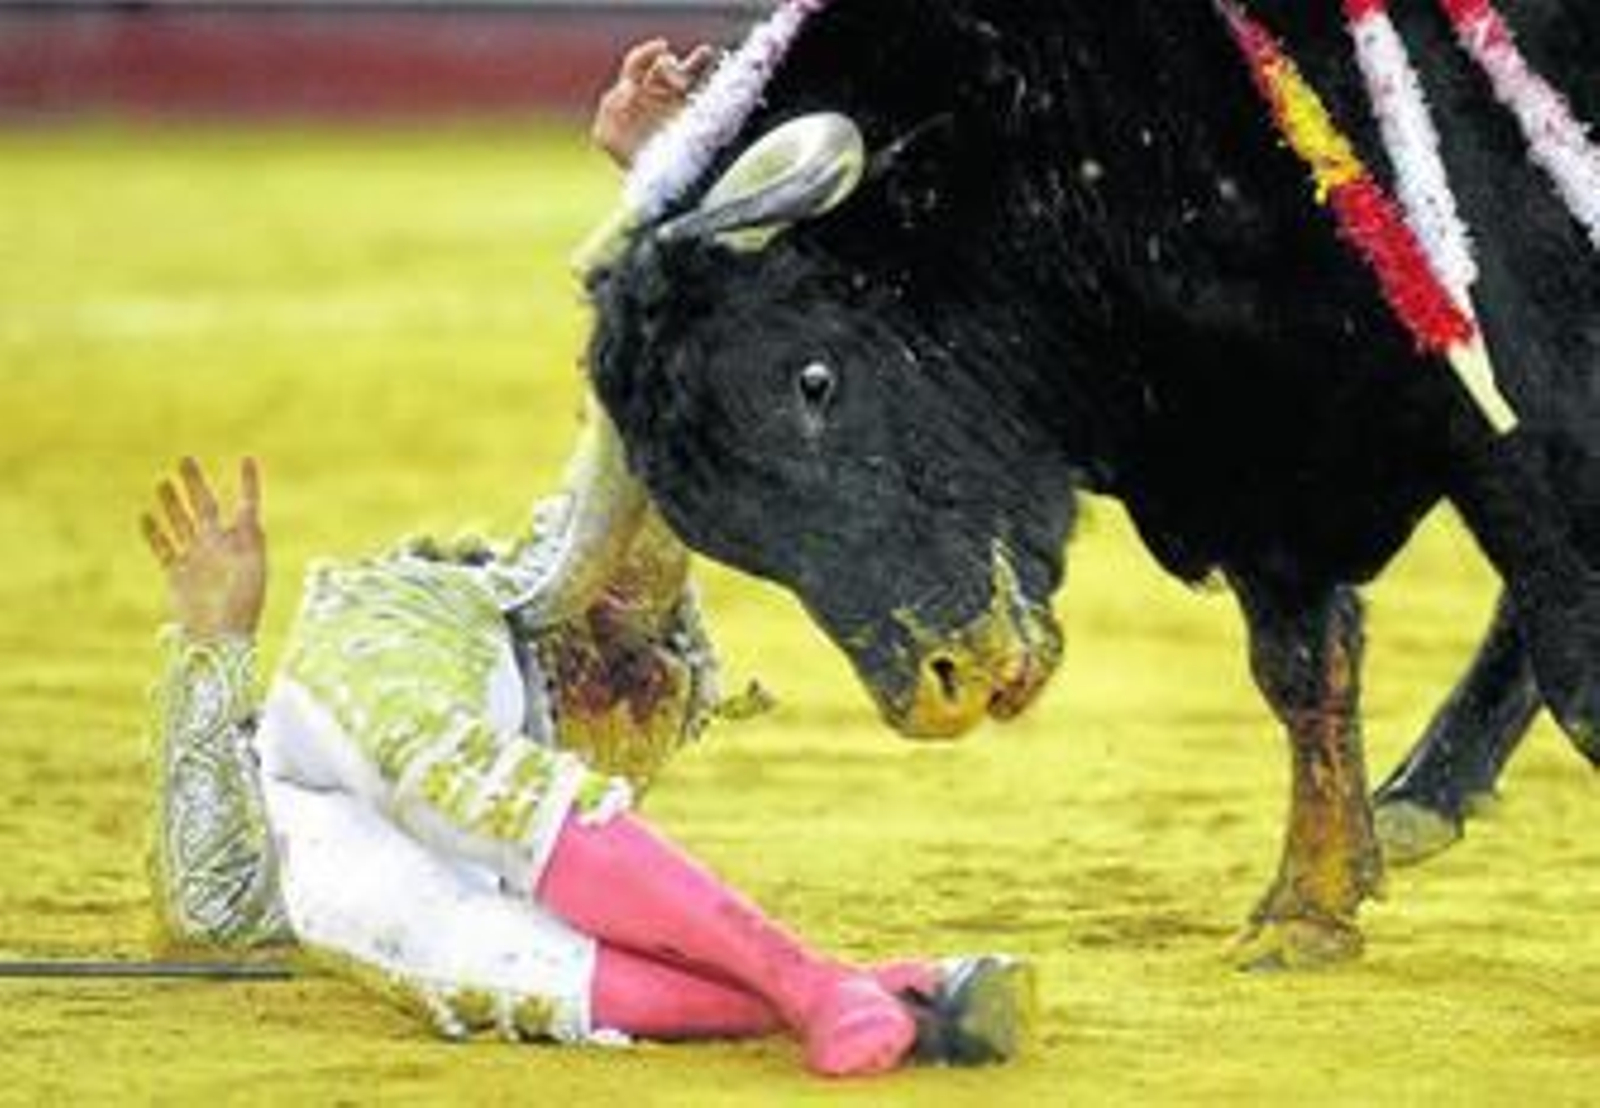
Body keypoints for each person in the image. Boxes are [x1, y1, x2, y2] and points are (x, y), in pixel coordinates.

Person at [137, 41, 1033, 1078]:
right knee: (483, 972)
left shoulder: (306, 781)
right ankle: (870, 993)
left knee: (547, 612)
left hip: (425, 651)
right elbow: (218, 918)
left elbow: (204, 902)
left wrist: (214, 642)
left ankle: (670, 217)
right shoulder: (331, 888)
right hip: (584, 728)